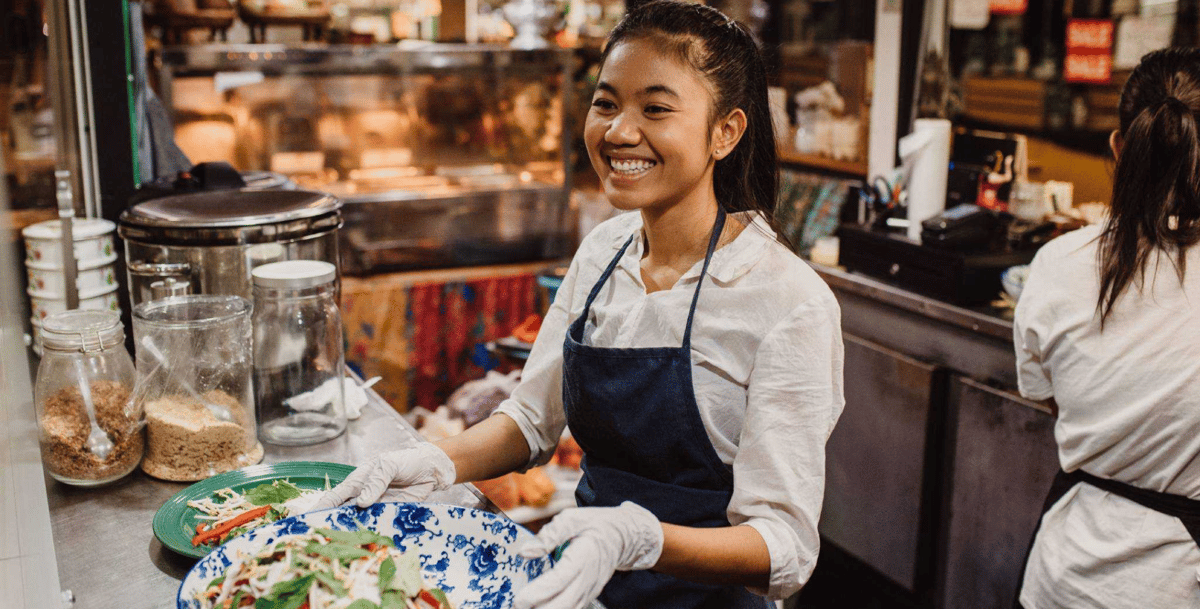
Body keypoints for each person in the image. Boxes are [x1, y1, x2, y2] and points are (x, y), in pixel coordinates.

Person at [313, 2, 845, 607]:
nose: (619, 132)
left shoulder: (789, 303)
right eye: (606, 102)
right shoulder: (603, 251)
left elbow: (785, 551)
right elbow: (531, 422)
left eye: (657, 109)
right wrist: (428, 462)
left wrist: (636, 537)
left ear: (725, 131)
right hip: (580, 588)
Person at [1013, 47, 1200, 609]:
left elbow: (1051, 399)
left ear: (1119, 147)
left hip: (1059, 577)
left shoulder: (1057, 264)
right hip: (1171, 587)